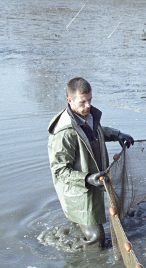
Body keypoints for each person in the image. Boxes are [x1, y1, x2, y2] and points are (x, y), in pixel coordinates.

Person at [47, 77, 135, 248]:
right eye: (83, 102)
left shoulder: (86, 117)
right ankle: (88, 267)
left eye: (90, 100)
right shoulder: (64, 133)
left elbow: (96, 131)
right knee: (97, 238)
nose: (88, 105)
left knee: (93, 227)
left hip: (92, 182)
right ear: (69, 101)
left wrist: (116, 134)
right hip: (77, 191)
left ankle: (77, 227)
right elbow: (59, 171)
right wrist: (87, 179)